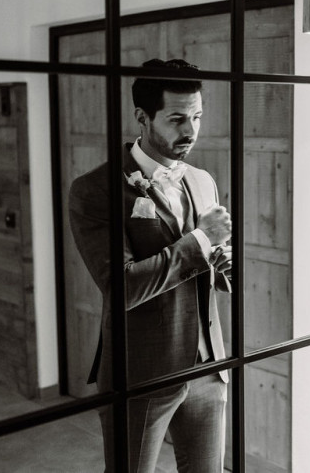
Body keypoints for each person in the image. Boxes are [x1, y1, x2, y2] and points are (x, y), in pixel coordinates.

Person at [69, 58, 233, 472]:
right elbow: (122, 288)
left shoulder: (202, 179)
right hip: (140, 374)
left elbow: (202, 264)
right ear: (142, 117)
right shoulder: (94, 191)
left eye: (197, 116)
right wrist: (199, 241)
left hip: (207, 366)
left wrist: (220, 262)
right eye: (177, 118)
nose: (191, 131)